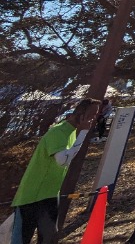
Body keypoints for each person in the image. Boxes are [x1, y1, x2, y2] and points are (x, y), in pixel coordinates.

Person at [12, 98, 101, 244]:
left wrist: (81, 134)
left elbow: (69, 156)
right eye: (92, 113)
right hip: (31, 196)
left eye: (96, 114)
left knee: (48, 238)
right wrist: (84, 133)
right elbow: (63, 161)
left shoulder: (71, 132)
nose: (94, 118)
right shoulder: (57, 132)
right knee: (22, 238)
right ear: (81, 113)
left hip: (51, 194)